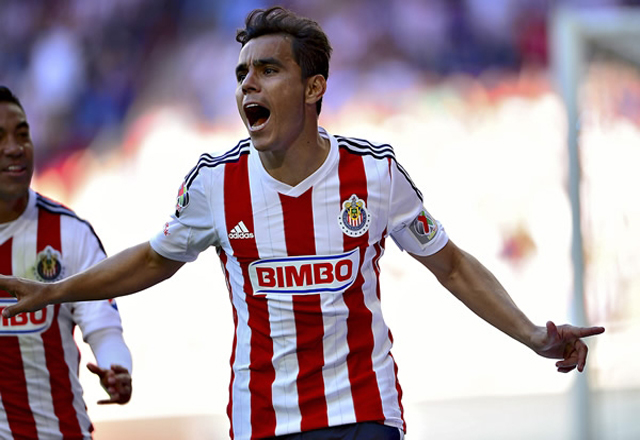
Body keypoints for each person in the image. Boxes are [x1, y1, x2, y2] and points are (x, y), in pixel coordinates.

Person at [0, 7, 604, 440]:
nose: (248, 84)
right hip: (265, 419)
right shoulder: (216, 183)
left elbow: (451, 265)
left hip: (364, 414)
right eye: (242, 74)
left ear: (314, 87)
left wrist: (532, 334)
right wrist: (57, 291)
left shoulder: (374, 174)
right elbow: (154, 259)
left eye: (267, 70)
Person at [0, 86, 132, 440]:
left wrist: (115, 367)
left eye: (22, 134)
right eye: (0, 137)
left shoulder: (69, 233)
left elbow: (103, 327)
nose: (14, 147)